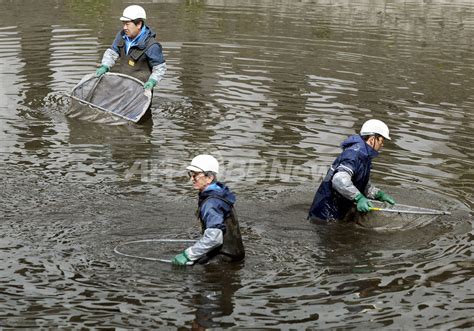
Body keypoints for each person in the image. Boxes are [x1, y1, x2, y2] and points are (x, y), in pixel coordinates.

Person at [308, 119, 396, 222]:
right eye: (381, 140)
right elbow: (339, 180)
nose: (382, 144)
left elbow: (359, 183)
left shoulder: (364, 156)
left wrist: (378, 194)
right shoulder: (353, 155)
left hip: (338, 211)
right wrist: (359, 198)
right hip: (325, 214)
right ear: (373, 139)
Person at [172, 155, 245, 266]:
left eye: (195, 175)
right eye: (191, 174)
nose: (192, 179)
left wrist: (187, 255)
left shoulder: (211, 203)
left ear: (209, 178)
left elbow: (214, 238)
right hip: (236, 254)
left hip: (224, 259)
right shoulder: (220, 192)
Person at [95, 5, 166, 90]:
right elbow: (112, 52)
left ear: (139, 24)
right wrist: (105, 66)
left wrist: (152, 81)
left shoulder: (152, 46)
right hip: (123, 87)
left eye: (127, 24)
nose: (124, 27)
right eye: (123, 24)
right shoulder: (121, 36)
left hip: (142, 89)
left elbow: (160, 68)